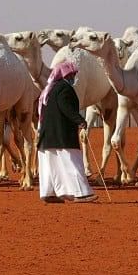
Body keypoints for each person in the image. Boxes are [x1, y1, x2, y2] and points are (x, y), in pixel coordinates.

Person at [37, 61, 97, 203]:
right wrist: (80, 120)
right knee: (72, 163)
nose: (74, 76)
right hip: (62, 135)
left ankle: (50, 194)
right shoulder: (65, 88)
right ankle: (81, 193)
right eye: (72, 74)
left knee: (51, 166)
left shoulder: (49, 90)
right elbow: (66, 107)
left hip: (47, 137)